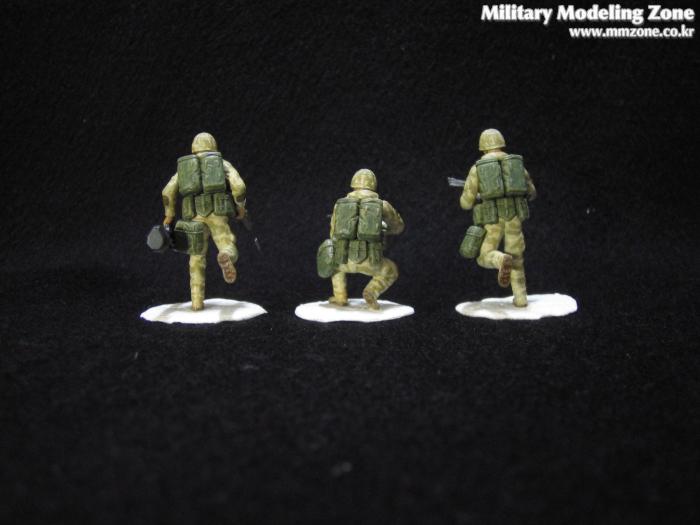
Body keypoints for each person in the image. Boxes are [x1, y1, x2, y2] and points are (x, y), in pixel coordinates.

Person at [161, 132, 247, 310]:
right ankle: (226, 256)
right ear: (212, 145)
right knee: (227, 243)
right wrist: (240, 208)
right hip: (217, 213)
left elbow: (167, 191)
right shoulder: (221, 163)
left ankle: (197, 302)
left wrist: (169, 215)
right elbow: (239, 186)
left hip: (194, 216)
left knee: (196, 259)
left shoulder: (184, 168)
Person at [460, 129, 536, 307]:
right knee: (517, 259)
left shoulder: (477, 168)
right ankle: (521, 299)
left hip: (492, 219)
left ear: (483, 147)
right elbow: (532, 192)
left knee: (483, 255)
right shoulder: (517, 165)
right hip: (515, 218)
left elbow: (466, 203)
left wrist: (479, 194)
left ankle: (500, 260)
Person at [326, 169, 404, 310]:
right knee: (391, 270)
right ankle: (371, 291)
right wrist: (384, 230)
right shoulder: (383, 205)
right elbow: (398, 227)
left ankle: (340, 296)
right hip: (370, 259)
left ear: (353, 183)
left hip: (344, 258)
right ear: (373, 184)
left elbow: (333, 233)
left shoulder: (339, 205)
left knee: (335, 267)